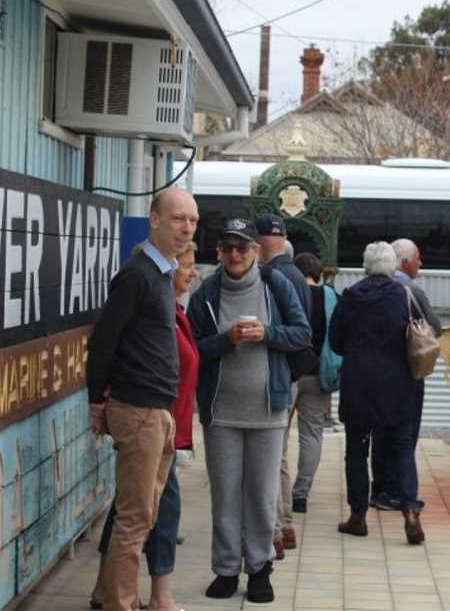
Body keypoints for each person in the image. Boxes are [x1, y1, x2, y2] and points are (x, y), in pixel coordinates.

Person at [187, 218, 311, 604]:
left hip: (269, 410)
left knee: (261, 494)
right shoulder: (205, 293)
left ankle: (259, 568)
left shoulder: (277, 286)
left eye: (242, 247)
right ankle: (225, 569)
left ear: (256, 251)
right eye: (227, 247)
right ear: (219, 252)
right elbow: (192, 350)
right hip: (221, 411)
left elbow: (302, 333)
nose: (235, 254)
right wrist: (227, 340)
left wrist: (267, 334)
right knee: (225, 495)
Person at [86, 188, 199, 611]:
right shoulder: (136, 274)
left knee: (141, 515)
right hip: (139, 411)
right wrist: (97, 402)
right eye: (177, 219)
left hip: (159, 410)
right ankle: (119, 603)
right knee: (135, 521)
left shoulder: (164, 274)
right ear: (154, 220)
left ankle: (104, 595)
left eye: (191, 220)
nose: (186, 227)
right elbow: (103, 344)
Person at [329, 242, 425, 545]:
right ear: (394, 266)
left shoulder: (350, 296)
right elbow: (425, 330)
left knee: (356, 450)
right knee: (403, 447)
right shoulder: (403, 295)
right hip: (397, 385)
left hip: (357, 384)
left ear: (365, 265)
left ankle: (358, 516)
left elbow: (335, 342)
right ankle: (410, 510)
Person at [370, 238, 442, 511]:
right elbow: (434, 328)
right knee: (403, 436)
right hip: (407, 374)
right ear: (404, 262)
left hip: (375, 375)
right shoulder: (410, 290)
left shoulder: (367, 289)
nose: (421, 263)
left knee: (380, 434)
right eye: (418, 258)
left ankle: (379, 490)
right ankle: (400, 492)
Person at [255, 214, 311, 557]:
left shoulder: (271, 276)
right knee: (281, 453)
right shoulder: (297, 275)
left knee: (271, 457)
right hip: (292, 375)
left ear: (259, 244)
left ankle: (276, 530)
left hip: (276, 376)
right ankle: (285, 524)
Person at [289, 252, 340, 514]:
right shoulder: (331, 297)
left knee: (276, 435)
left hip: (288, 374)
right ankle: (300, 494)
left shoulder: (289, 293)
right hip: (319, 374)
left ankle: (274, 490)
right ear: (319, 273)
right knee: (311, 435)